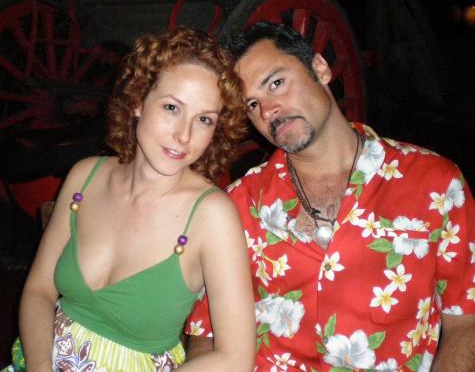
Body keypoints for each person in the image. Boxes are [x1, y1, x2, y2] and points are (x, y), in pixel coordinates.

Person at [184, 21, 475, 371]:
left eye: (276, 83)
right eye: (252, 104)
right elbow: (207, 333)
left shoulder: (436, 184)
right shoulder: (236, 207)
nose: (269, 111)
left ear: (320, 68)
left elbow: (466, 322)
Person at [7, 27, 256, 372]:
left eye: (204, 120)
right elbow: (39, 290)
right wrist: (39, 366)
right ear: (138, 100)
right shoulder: (84, 177)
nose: (184, 135)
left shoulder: (212, 215)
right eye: (172, 107)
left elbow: (236, 358)